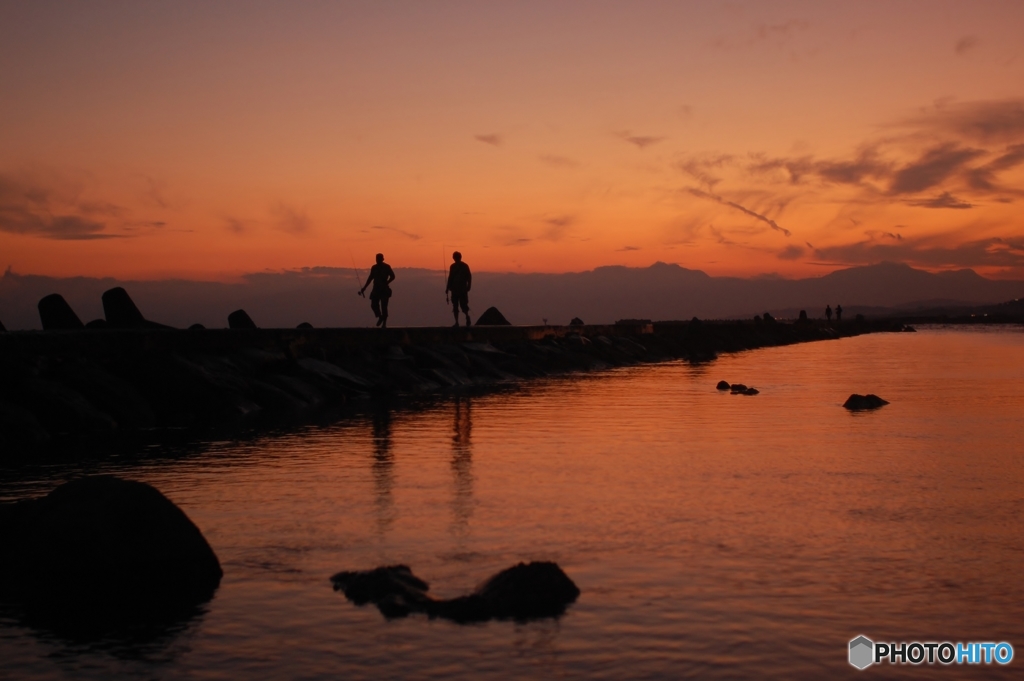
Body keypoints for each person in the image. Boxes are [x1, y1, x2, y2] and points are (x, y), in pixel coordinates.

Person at [359, 253, 395, 328]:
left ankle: (384, 323)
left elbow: (393, 276)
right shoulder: (374, 268)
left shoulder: (387, 267)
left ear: (382, 259)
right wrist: (364, 288)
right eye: (376, 259)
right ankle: (380, 316)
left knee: (384, 306)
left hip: (384, 290)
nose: (377, 260)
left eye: (379, 259)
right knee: (373, 304)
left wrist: (387, 282)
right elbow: (370, 278)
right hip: (376, 289)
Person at [446, 251, 472, 327]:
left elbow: (469, 276)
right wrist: (447, 288)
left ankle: (466, 317)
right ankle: (457, 322)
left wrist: (469, 286)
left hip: (462, 289)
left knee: (463, 305)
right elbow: (450, 278)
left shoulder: (464, 266)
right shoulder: (453, 266)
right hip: (455, 289)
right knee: (455, 306)